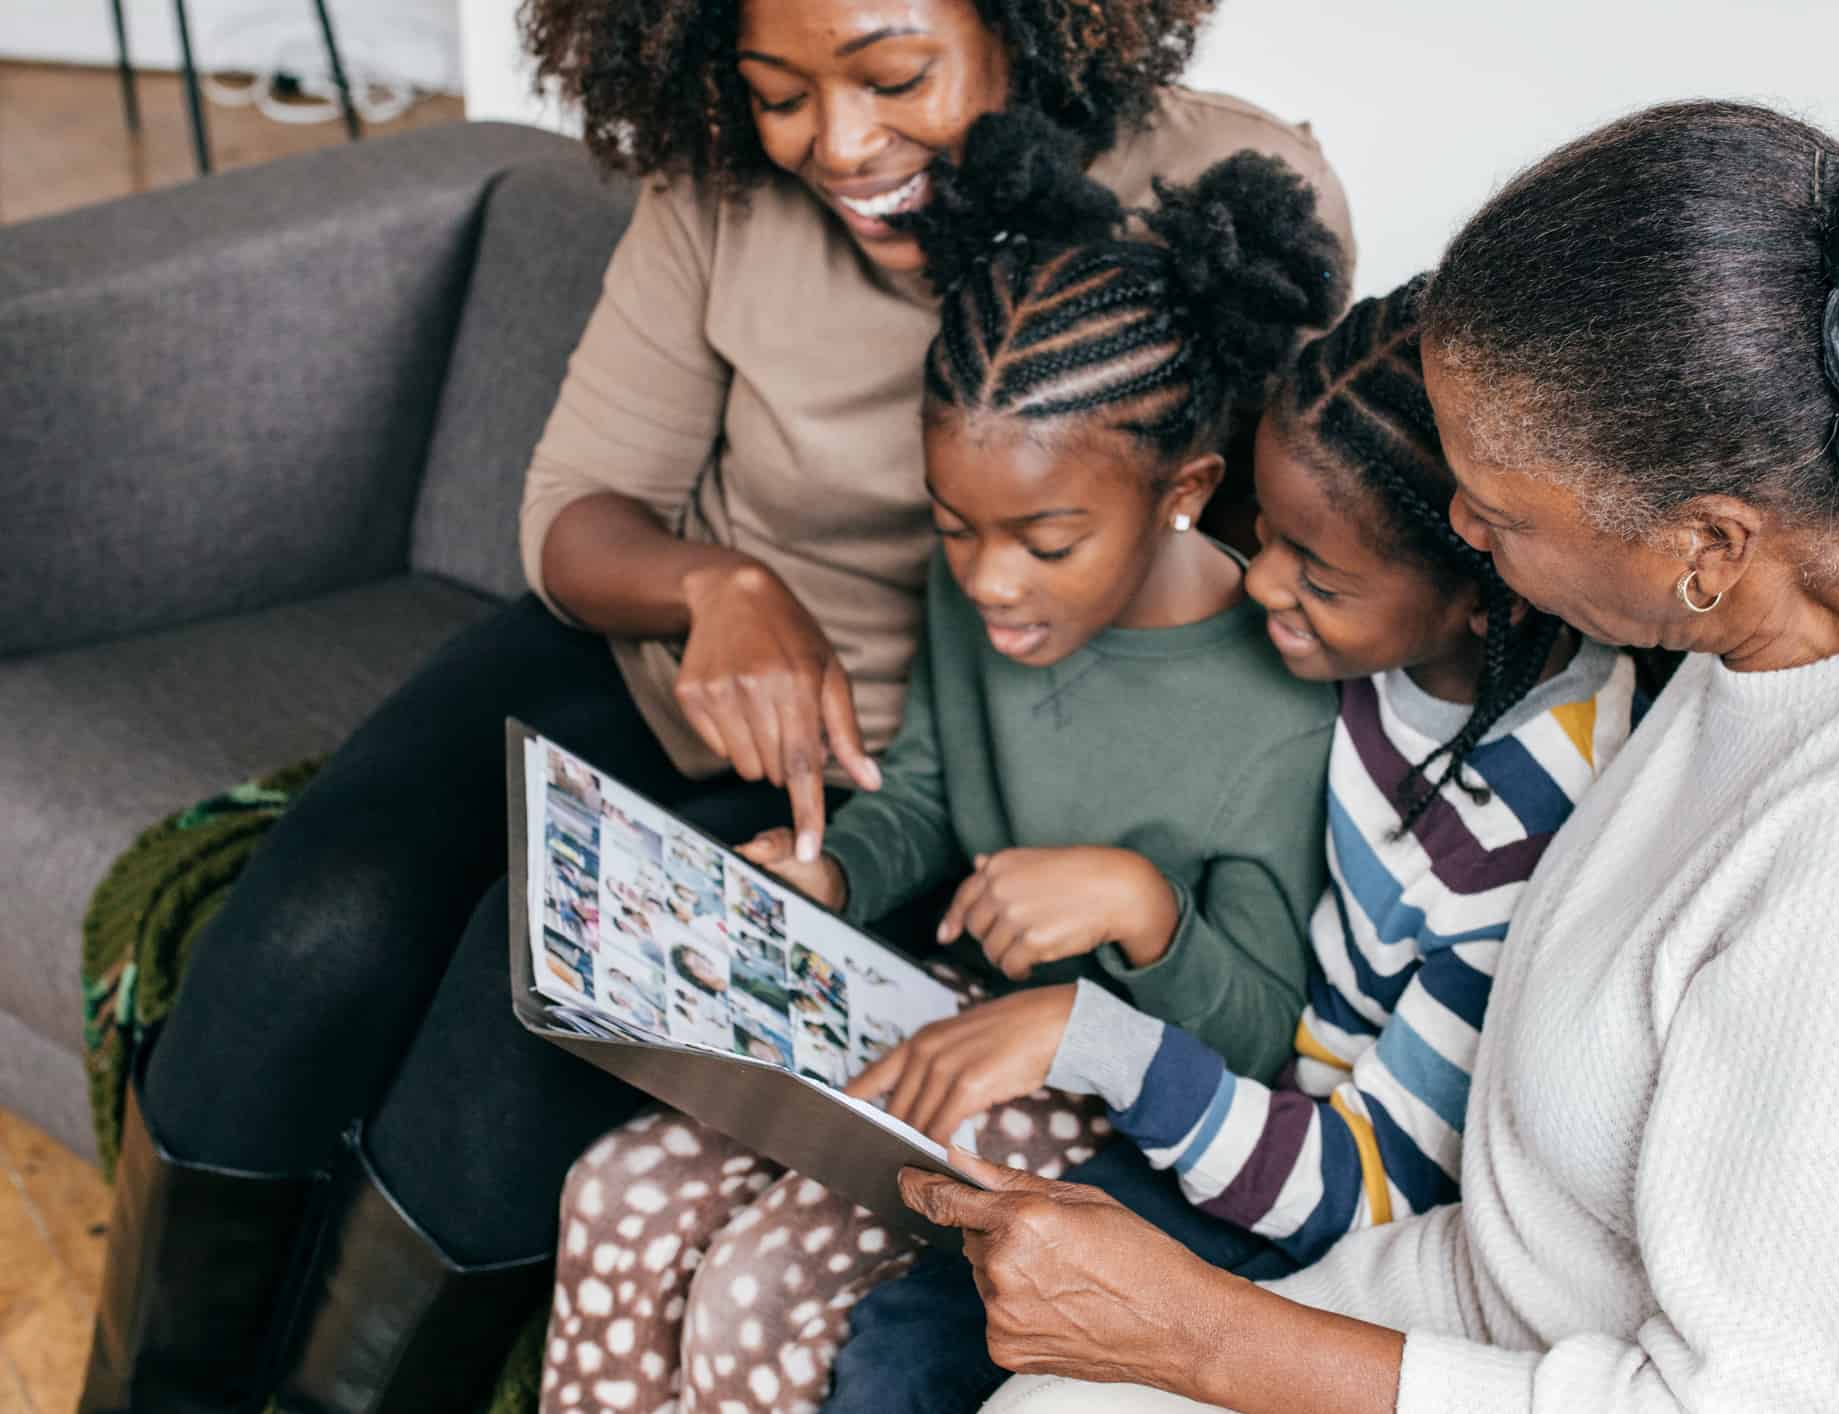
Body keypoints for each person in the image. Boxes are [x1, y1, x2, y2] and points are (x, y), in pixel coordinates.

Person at [80, 1, 1356, 1407]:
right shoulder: (718, 194)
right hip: (664, 648)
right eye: (777, 89)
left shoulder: (1216, 211)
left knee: (504, 1030)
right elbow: (570, 518)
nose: (841, 141)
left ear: (1032, 25)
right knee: (308, 918)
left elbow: (1260, 592)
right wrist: (717, 587)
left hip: (886, 762)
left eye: (892, 75)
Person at [895, 101, 1839, 1414]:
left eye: (1498, 514)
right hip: (1499, 1286)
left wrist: (1187, 1332)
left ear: (1703, 548)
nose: (1458, 525)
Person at [540, 108, 1346, 1414]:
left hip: (1120, 1103)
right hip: (941, 1009)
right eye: (953, 525)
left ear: (1185, 488)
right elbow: (919, 791)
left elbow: (1259, 1041)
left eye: (1042, 537)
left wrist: (1141, 913)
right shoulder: (975, 587)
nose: (986, 579)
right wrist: (833, 878)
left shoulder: (1280, 707)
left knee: (757, 1298)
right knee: (614, 1186)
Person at [821, 273, 1648, 1413]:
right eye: (1261, 536)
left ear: (1485, 584)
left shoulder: (1519, 831)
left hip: (1330, 1190)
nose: (1258, 583)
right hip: (1247, 1107)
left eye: (1312, 573)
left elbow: (1367, 1187)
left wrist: (1088, 1031)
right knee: (919, 1317)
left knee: (917, 1353)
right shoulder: (1381, 642)